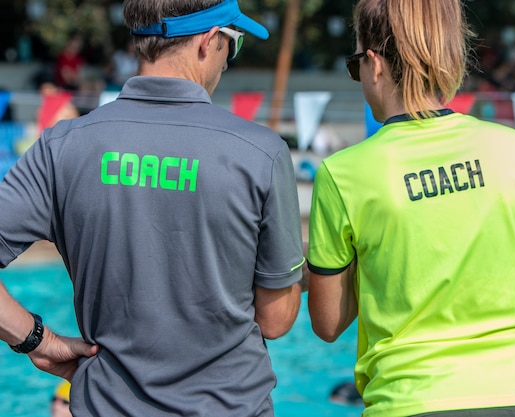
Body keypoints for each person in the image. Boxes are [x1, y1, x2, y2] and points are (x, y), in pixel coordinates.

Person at [0, 1, 304, 416]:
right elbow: (274, 321)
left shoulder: (63, 147)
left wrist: (37, 340)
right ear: (208, 40)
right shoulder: (259, 154)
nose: (228, 63)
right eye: (232, 46)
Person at [306, 1, 515, 416]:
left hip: (410, 402)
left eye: (355, 66)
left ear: (374, 65)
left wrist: (321, 264)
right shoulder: (514, 149)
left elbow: (328, 323)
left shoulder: (343, 173)